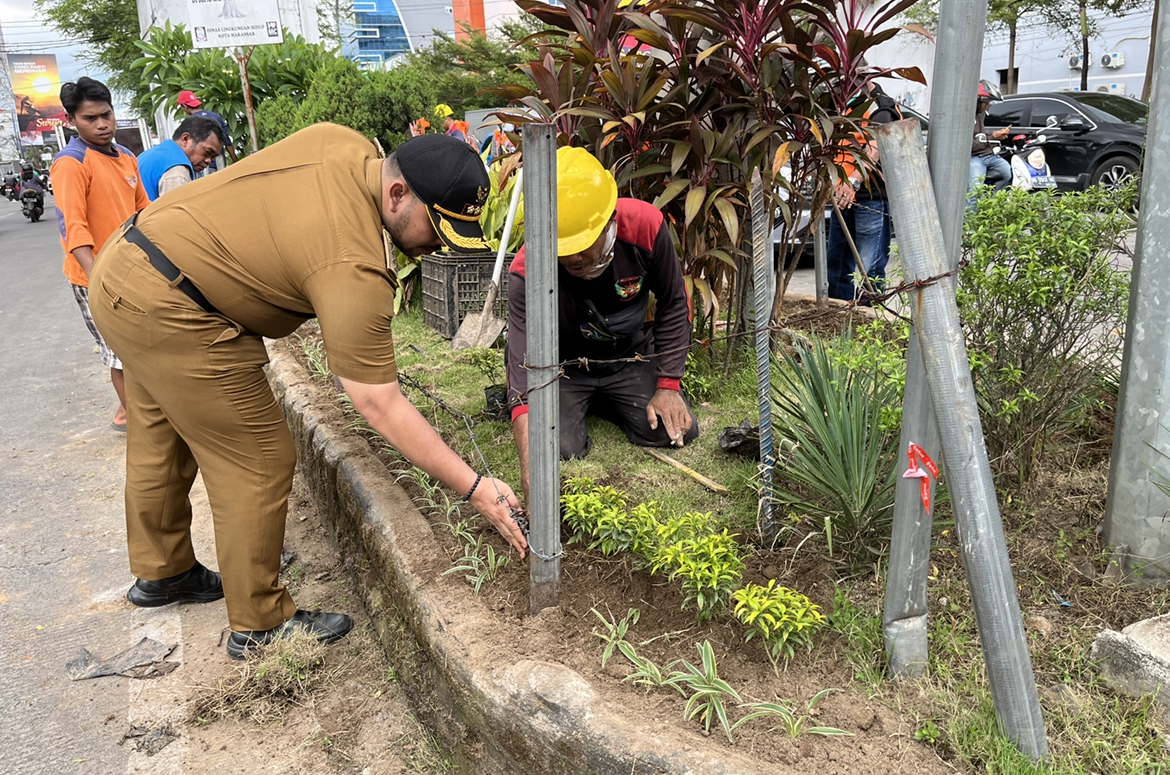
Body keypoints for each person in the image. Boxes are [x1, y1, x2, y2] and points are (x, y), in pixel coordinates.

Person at [89, 126, 527, 660]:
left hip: (127, 268)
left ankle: (163, 572)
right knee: (258, 456)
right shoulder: (355, 263)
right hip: (178, 306)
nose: (436, 245)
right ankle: (260, 623)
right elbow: (377, 401)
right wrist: (475, 486)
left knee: (162, 430)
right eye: (436, 227)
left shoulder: (346, 144)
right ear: (397, 194)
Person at [506, 147, 699, 503]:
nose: (572, 258)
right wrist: (529, 452)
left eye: (582, 245)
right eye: (561, 248)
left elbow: (674, 303)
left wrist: (669, 384)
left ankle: (609, 400)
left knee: (674, 433)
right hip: (563, 369)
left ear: (609, 221)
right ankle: (588, 401)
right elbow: (520, 359)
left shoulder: (645, 226)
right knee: (559, 450)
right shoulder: (525, 270)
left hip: (627, 359)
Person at [50, 76, 150, 432]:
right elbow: (73, 229)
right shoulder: (71, 163)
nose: (102, 124)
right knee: (120, 354)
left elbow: (145, 213)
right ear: (71, 121)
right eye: (90, 118)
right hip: (93, 276)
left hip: (133, 271)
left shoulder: (125, 157)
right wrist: (98, 282)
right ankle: (138, 423)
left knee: (142, 346)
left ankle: (130, 413)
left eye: (106, 114)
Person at [826, 82, 902, 302]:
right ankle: (839, 313)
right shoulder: (848, 105)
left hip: (870, 199)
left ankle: (871, 319)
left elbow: (876, 146)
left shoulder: (880, 104)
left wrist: (853, 183)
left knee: (871, 267)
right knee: (838, 263)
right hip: (843, 197)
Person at [138, 116, 225, 200]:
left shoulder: (158, 153)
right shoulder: (177, 171)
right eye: (207, 152)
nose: (208, 161)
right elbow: (175, 214)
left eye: (213, 157)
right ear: (185, 139)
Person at [969, 80, 1012, 207]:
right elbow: (969, 145)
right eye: (986, 103)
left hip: (989, 155)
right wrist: (993, 136)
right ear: (977, 101)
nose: (987, 106)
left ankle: (992, 205)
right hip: (975, 158)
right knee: (974, 193)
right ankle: (969, 225)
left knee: (1009, 174)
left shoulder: (979, 117)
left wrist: (997, 137)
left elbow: (982, 138)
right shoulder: (966, 118)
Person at [177, 90, 238, 165]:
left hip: (202, 165)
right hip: (220, 163)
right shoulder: (216, 117)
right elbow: (227, 141)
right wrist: (235, 160)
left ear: (185, 106)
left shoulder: (189, 122)